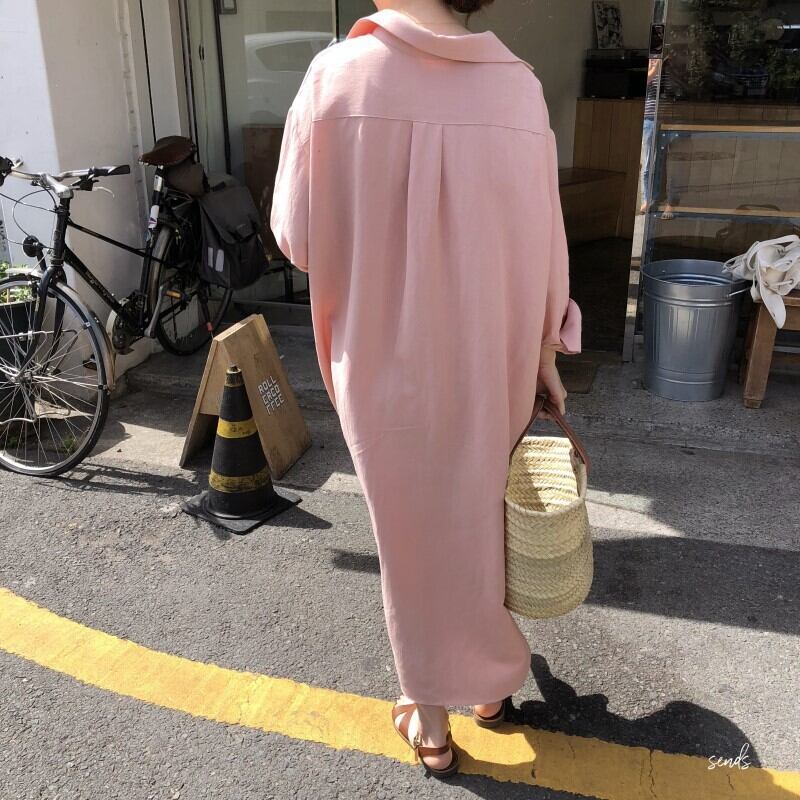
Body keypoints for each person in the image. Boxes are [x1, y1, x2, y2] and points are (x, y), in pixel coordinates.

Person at [270, 0, 581, 778]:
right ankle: (488, 686)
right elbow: (547, 240)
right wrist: (547, 347)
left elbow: (297, 237)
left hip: (382, 357)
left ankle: (432, 717)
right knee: (480, 514)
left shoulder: (335, 77)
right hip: (493, 354)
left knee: (410, 536)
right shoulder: (518, 88)